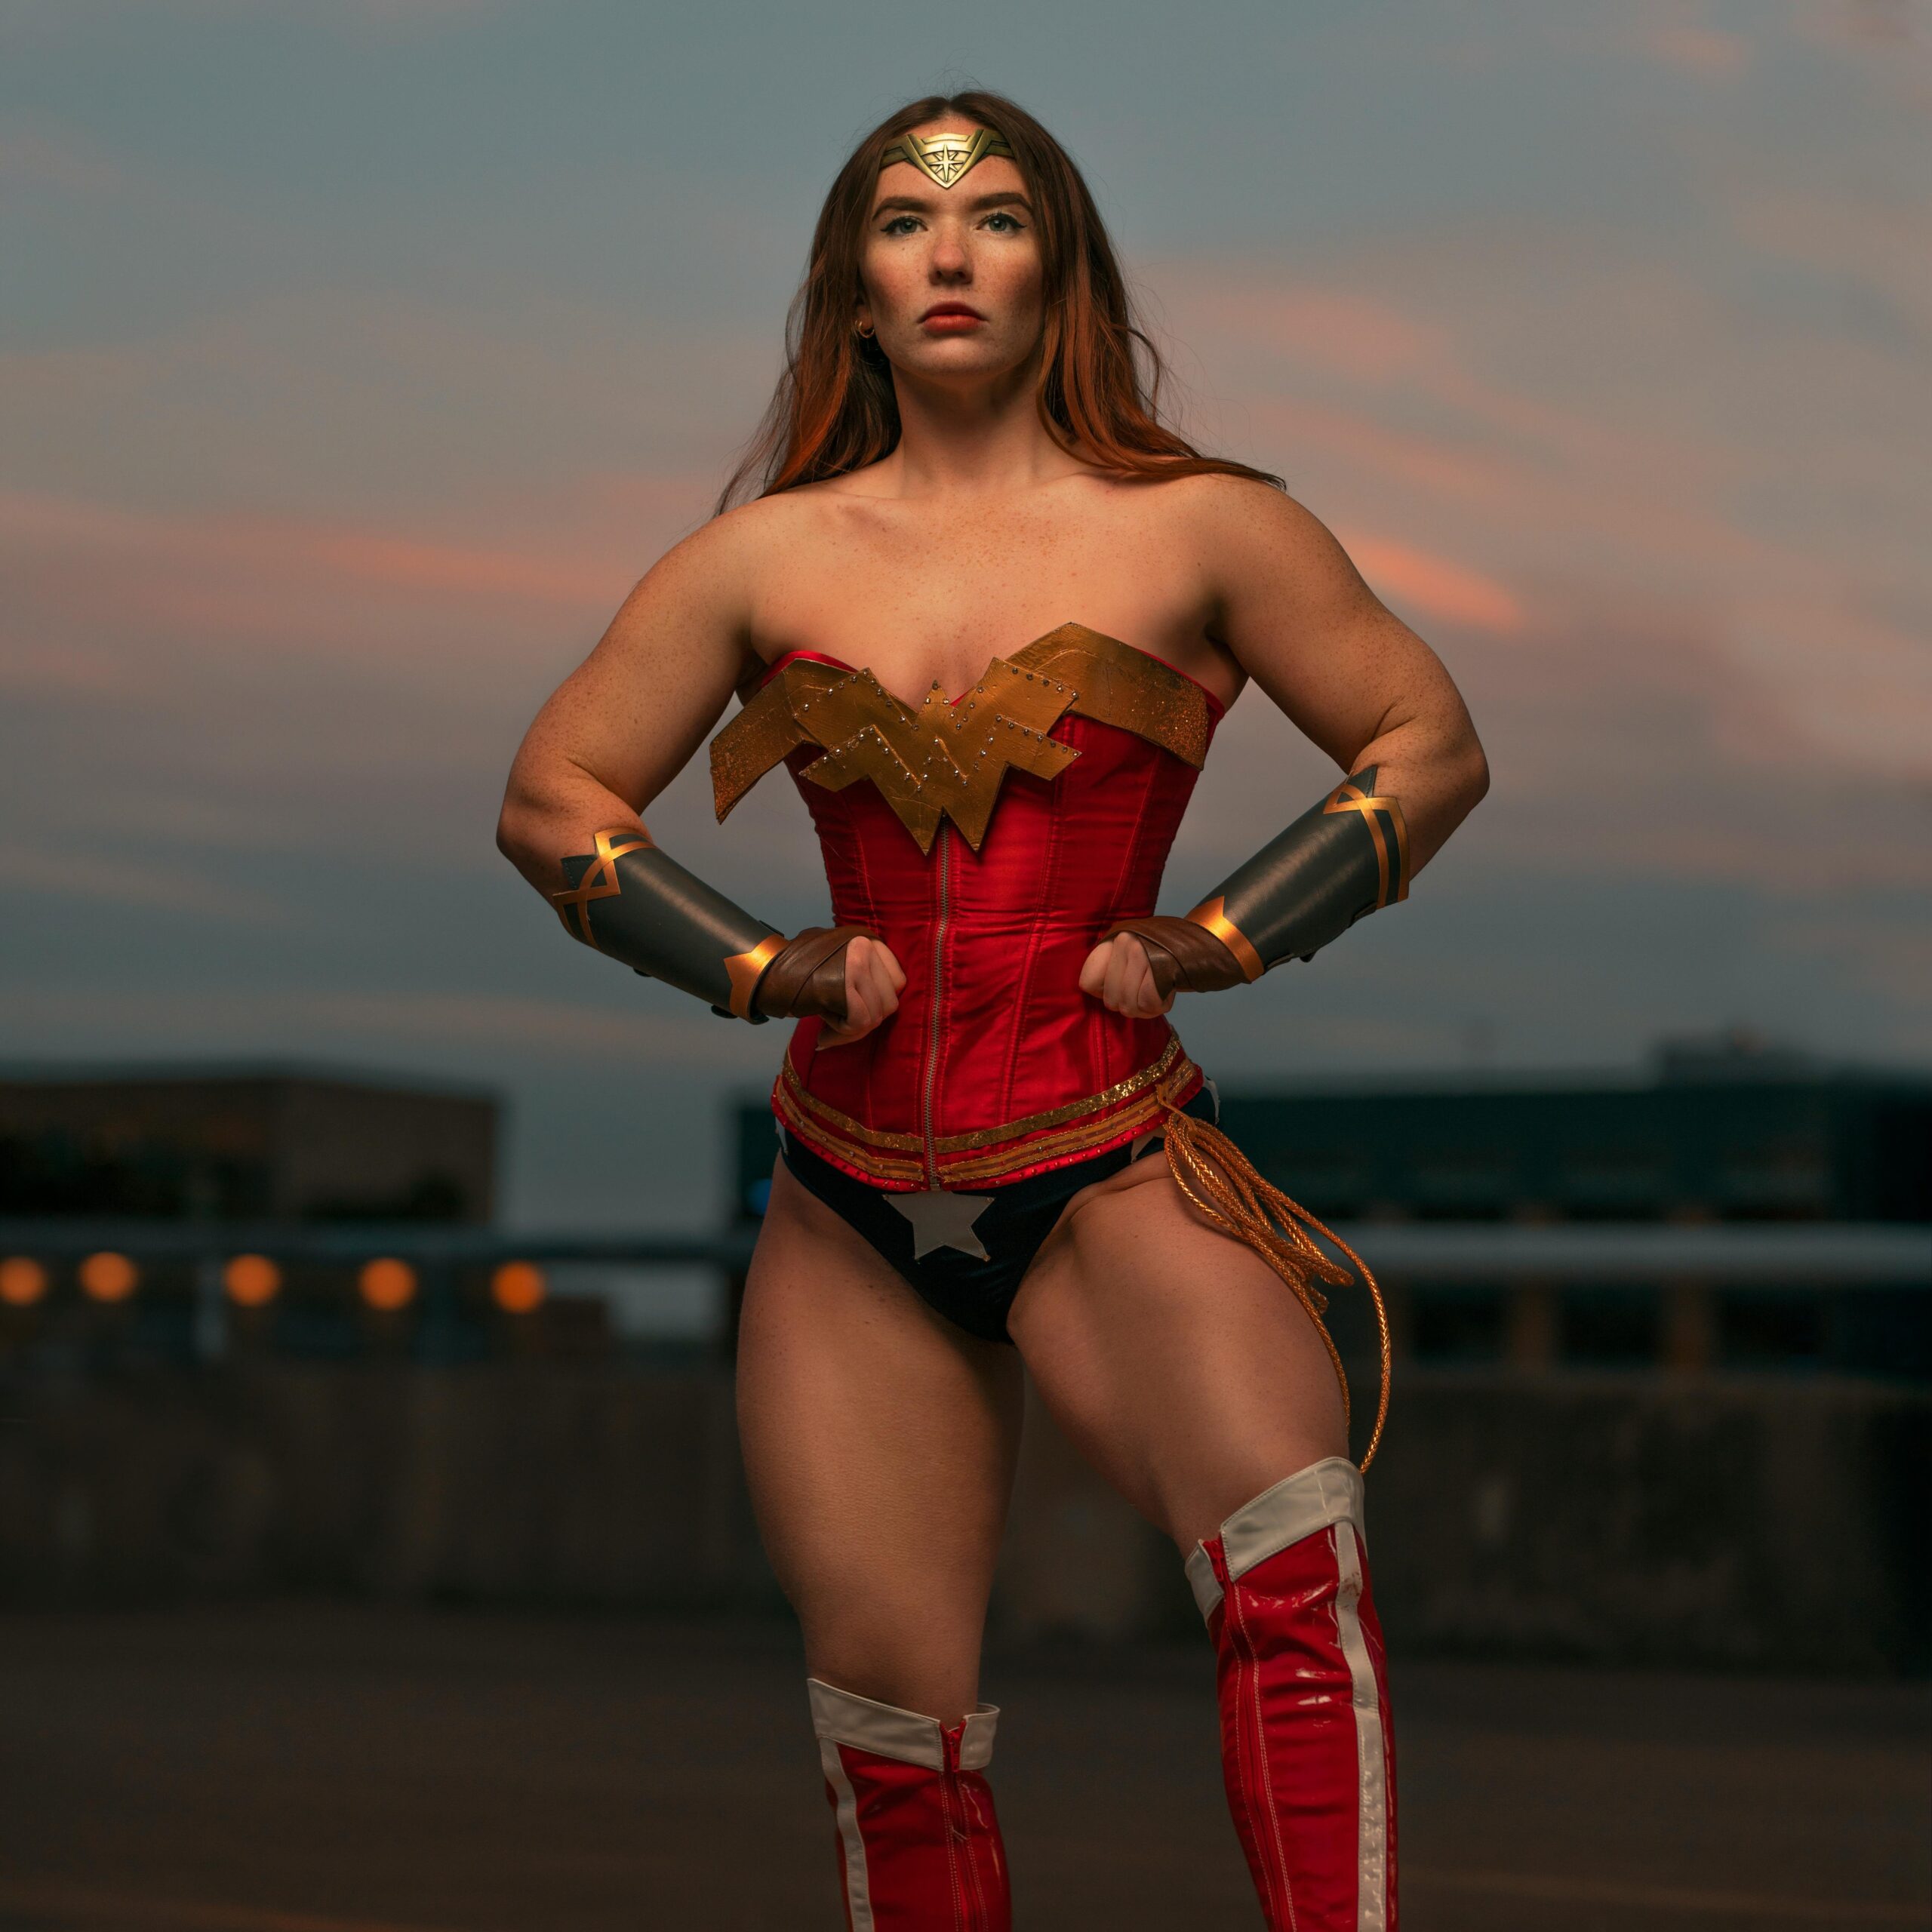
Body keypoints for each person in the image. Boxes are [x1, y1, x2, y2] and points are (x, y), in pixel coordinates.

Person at [497, 91, 1487, 1932]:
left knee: (1289, 1576)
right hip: (846, 1196)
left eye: (998, 215)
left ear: (1063, 274)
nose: (949, 248)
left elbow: (1427, 745)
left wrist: (1221, 933)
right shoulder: (755, 560)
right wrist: (763, 960)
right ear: (852, 289)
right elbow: (552, 799)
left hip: (1106, 1154)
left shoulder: (1205, 526)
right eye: (901, 219)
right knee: (893, 1733)